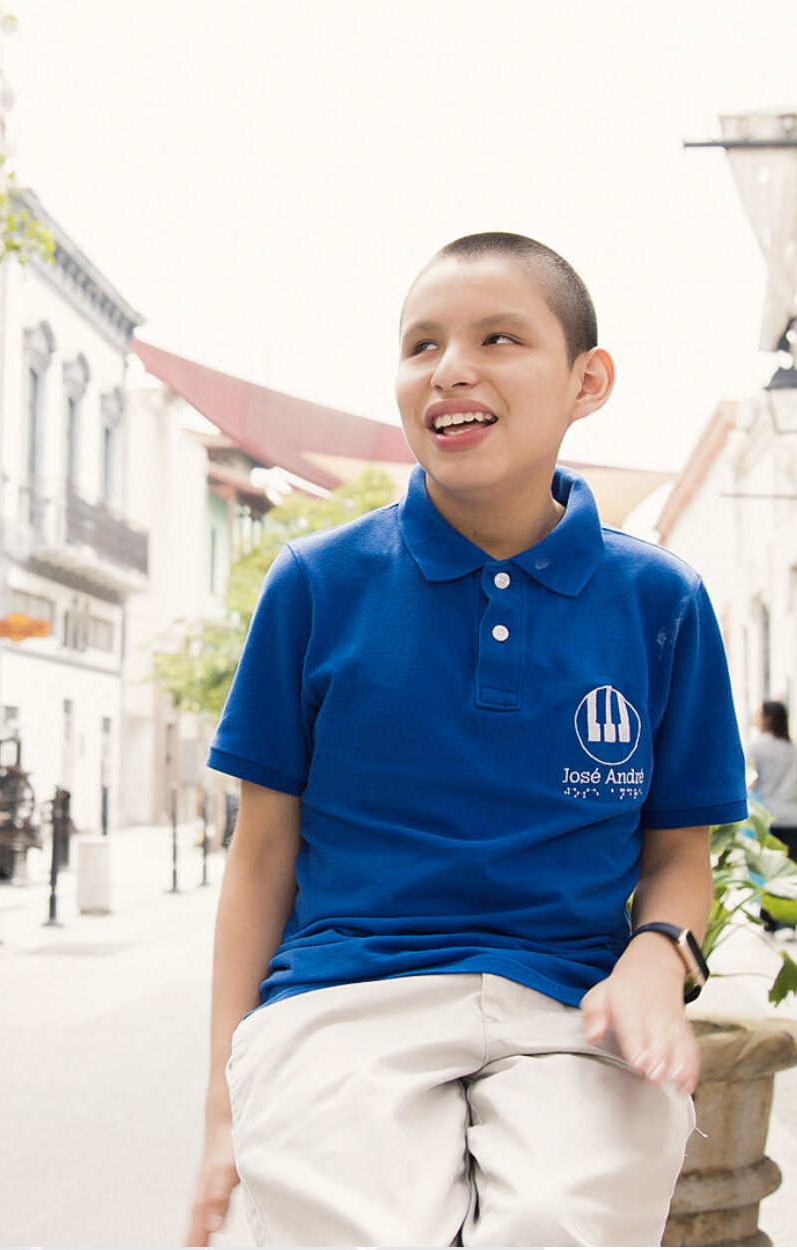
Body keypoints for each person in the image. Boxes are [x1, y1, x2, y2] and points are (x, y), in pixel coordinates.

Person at [186, 233, 748, 1247]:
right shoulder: (315, 584)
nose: (450, 366)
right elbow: (261, 854)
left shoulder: (662, 600)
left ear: (588, 380)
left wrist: (659, 957)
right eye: (421, 344)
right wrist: (224, 1105)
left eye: (499, 337)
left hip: (575, 1012)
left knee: (561, 1223)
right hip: (341, 1001)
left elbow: (678, 857)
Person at [750, 700, 797, 933]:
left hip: (768, 819)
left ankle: (771, 921)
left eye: (758, 713)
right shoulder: (792, 748)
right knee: (790, 873)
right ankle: (789, 922)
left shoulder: (757, 747)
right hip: (793, 818)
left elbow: (749, 779)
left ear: (768, 718)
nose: (754, 716)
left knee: (770, 871)